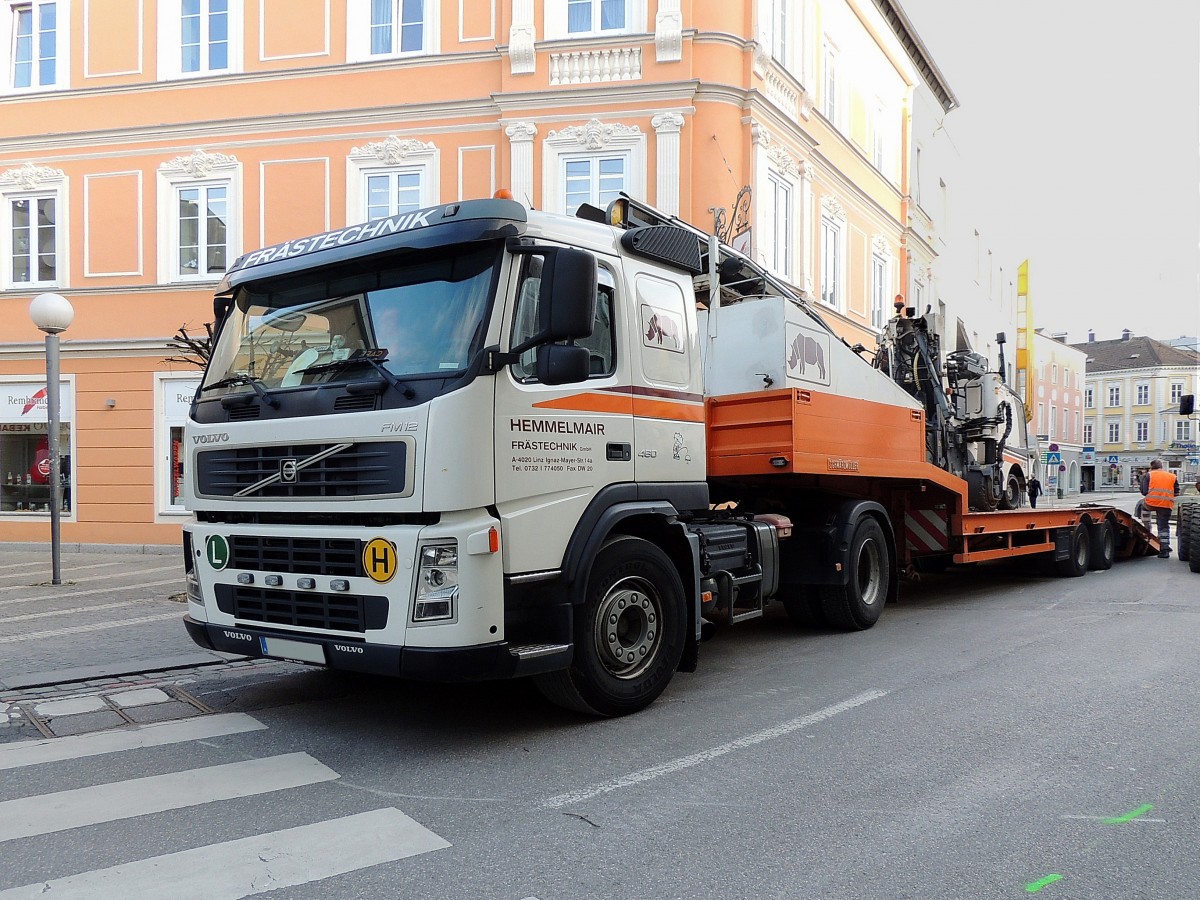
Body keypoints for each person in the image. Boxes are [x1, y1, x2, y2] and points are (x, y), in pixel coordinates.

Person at [1140, 459, 1180, 558]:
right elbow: (1176, 492)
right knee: (1163, 526)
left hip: (1151, 503)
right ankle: (1165, 549)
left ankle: (1147, 527)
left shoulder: (1148, 475)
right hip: (1166, 505)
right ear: (1162, 467)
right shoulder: (1172, 476)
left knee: (1142, 506)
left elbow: (1144, 492)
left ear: (1151, 467)